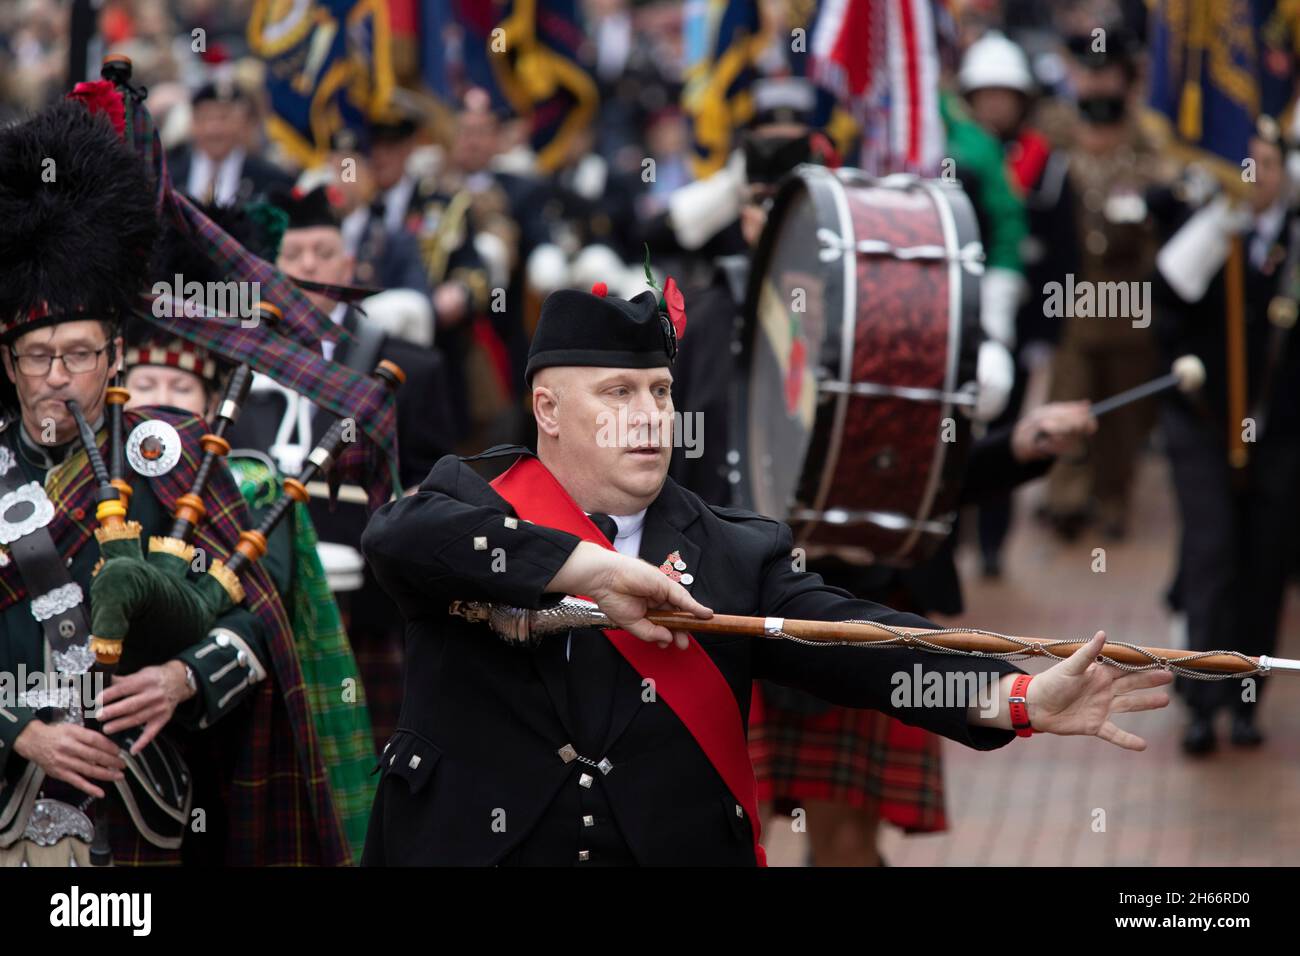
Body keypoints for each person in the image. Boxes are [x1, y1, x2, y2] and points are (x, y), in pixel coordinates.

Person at [358, 282, 1172, 866]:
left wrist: (1015, 696)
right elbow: (396, 537)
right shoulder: (465, 501)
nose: (650, 415)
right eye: (618, 392)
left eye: (661, 391)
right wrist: (588, 567)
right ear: (547, 411)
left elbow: (859, 643)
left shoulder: (731, 548)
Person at [0, 93, 347, 866]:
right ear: (8, 362)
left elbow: (259, 620)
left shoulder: (177, 455)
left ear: (115, 357)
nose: (59, 378)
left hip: (156, 800)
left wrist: (185, 677)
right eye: (37, 355)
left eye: (81, 354)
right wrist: (20, 727)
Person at [121, 302, 377, 862]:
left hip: (219, 736)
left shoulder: (251, 485)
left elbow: (266, 614)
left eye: (179, 387)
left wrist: (187, 674)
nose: (161, 400)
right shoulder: (92, 481)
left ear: (213, 406)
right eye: (145, 383)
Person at [1152, 118, 1300, 754]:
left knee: (1264, 567)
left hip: (1281, 433)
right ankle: (1199, 699)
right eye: (1243, 164)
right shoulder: (1203, 231)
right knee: (1211, 556)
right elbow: (1166, 306)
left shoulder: (1292, 239)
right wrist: (1217, 230)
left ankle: (1245, 699)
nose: (1253, 178)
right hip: (1205, 427)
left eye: (1266, 165)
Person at [167, 75, 294, 206]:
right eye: (205, 118)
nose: (214, 129)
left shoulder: (271, 181)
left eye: (224, 118)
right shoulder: (168, 177)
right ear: (192, 123)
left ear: (242, 122)